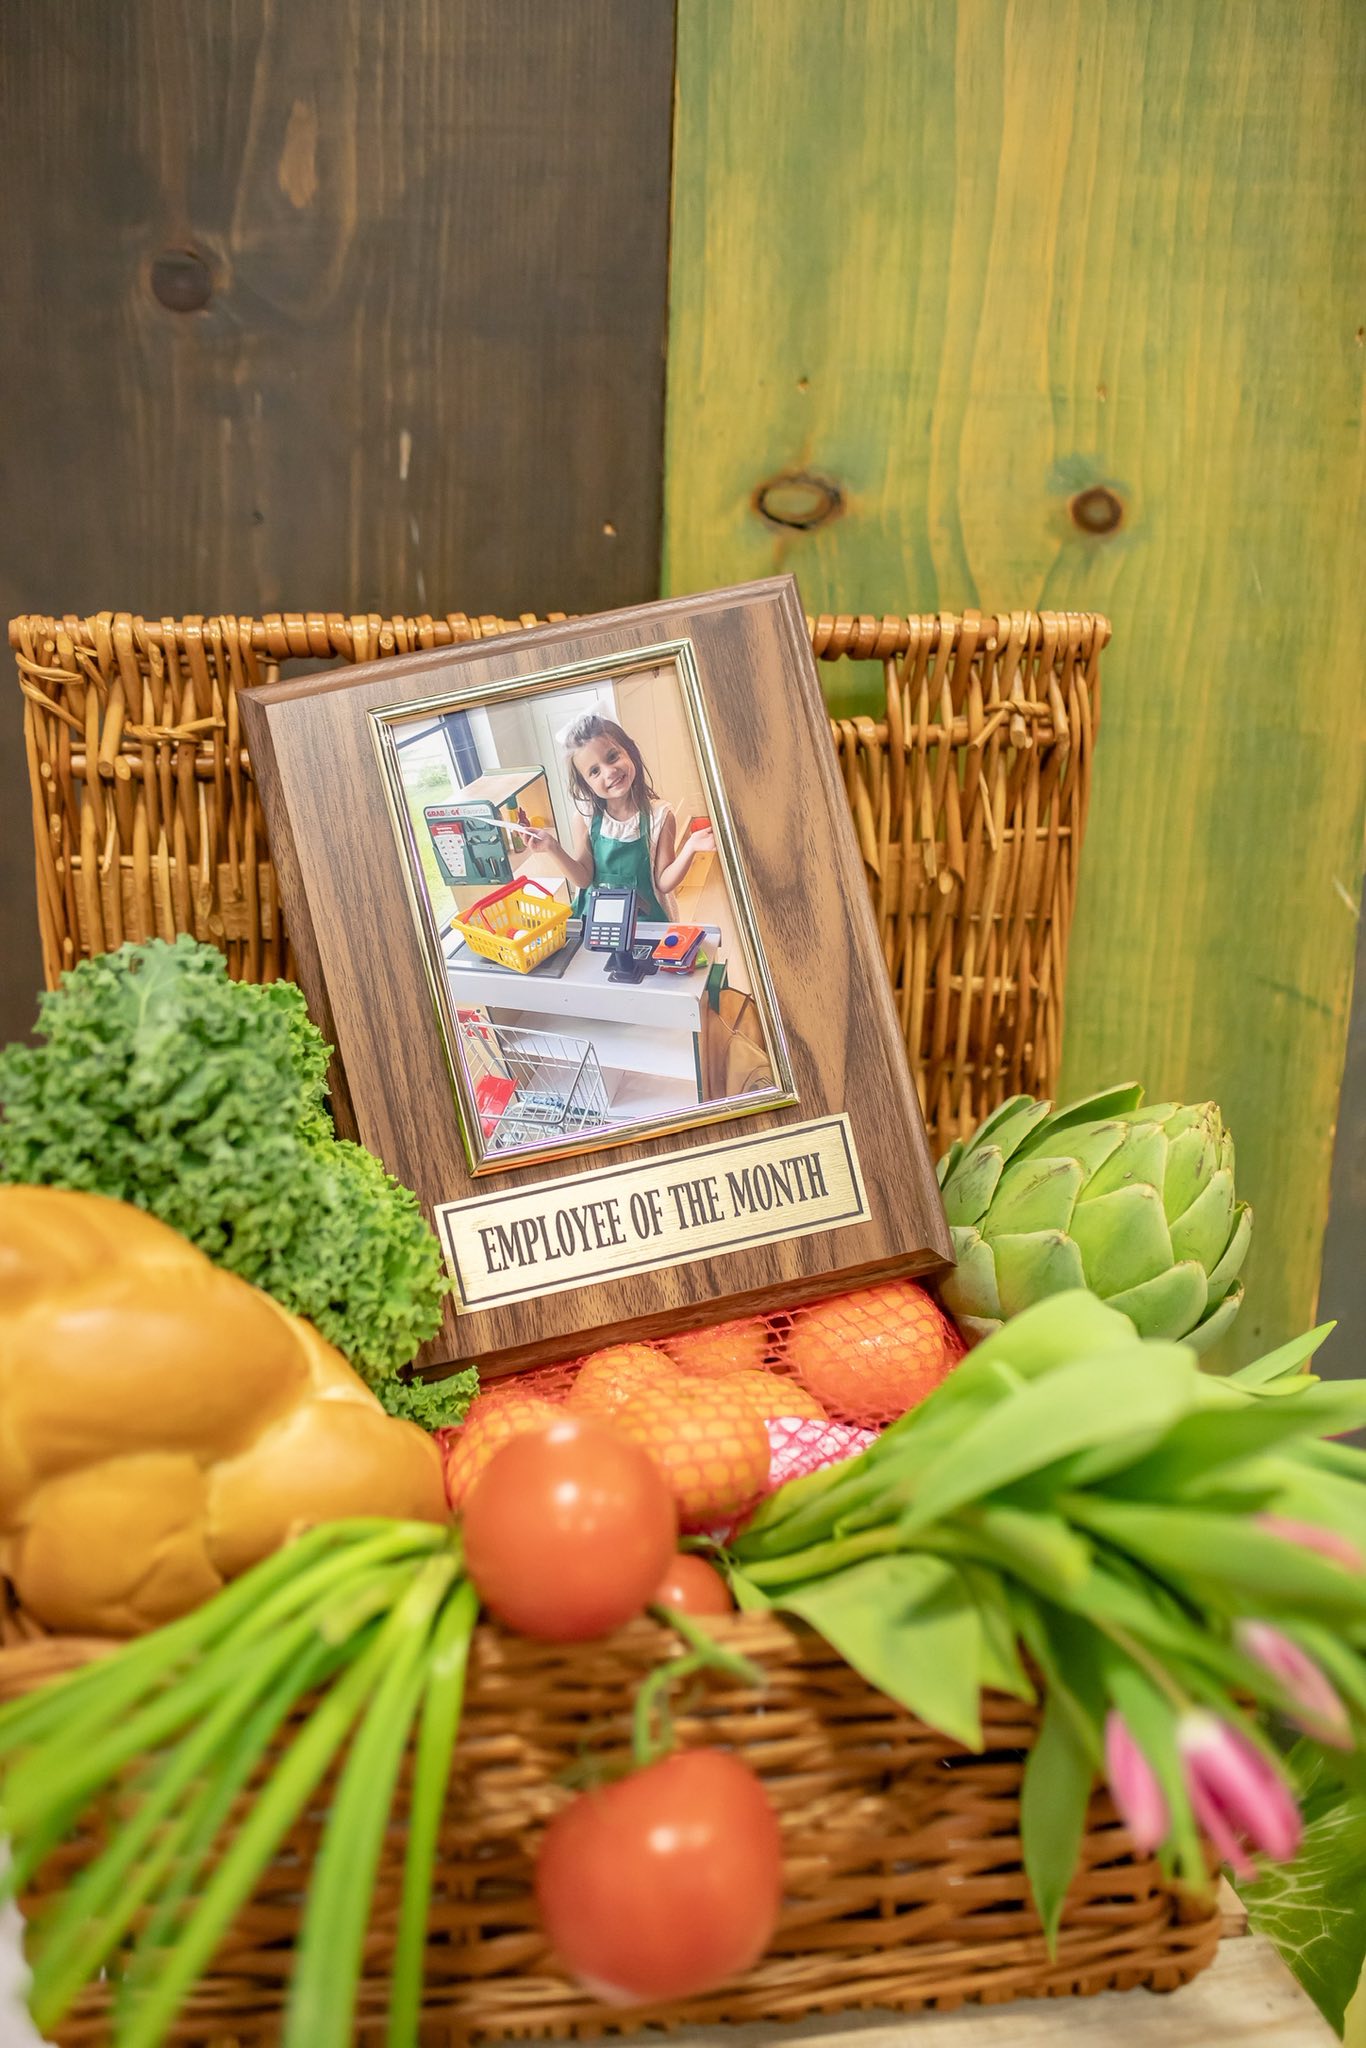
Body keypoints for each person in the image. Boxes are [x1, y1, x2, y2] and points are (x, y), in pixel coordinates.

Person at [513, 713, 715, 924]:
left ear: (630, 751)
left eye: (612, 757)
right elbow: (583, 878)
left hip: (643, 924)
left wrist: (691, 847)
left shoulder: (660, 816)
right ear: (586, 785)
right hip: (596, 923)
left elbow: (663, 882)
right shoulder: (585, 817)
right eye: (594, 771)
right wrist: (552, 846)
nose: (609, 772)